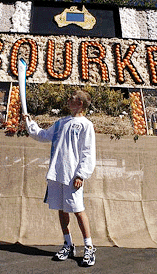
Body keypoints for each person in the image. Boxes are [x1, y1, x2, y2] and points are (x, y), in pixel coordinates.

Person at [25, 90, 96, 267]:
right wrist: (29, 122)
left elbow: (88, 152)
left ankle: (89, 247)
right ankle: (68, 244)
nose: (68, 100)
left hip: (73, 176)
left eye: (72, 98)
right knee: (62, 209)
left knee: (78, 210)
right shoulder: (61, 122)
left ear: (80, 103)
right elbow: (43, 135)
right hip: (57, 173)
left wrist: (81, 173)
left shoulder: (86, 125)